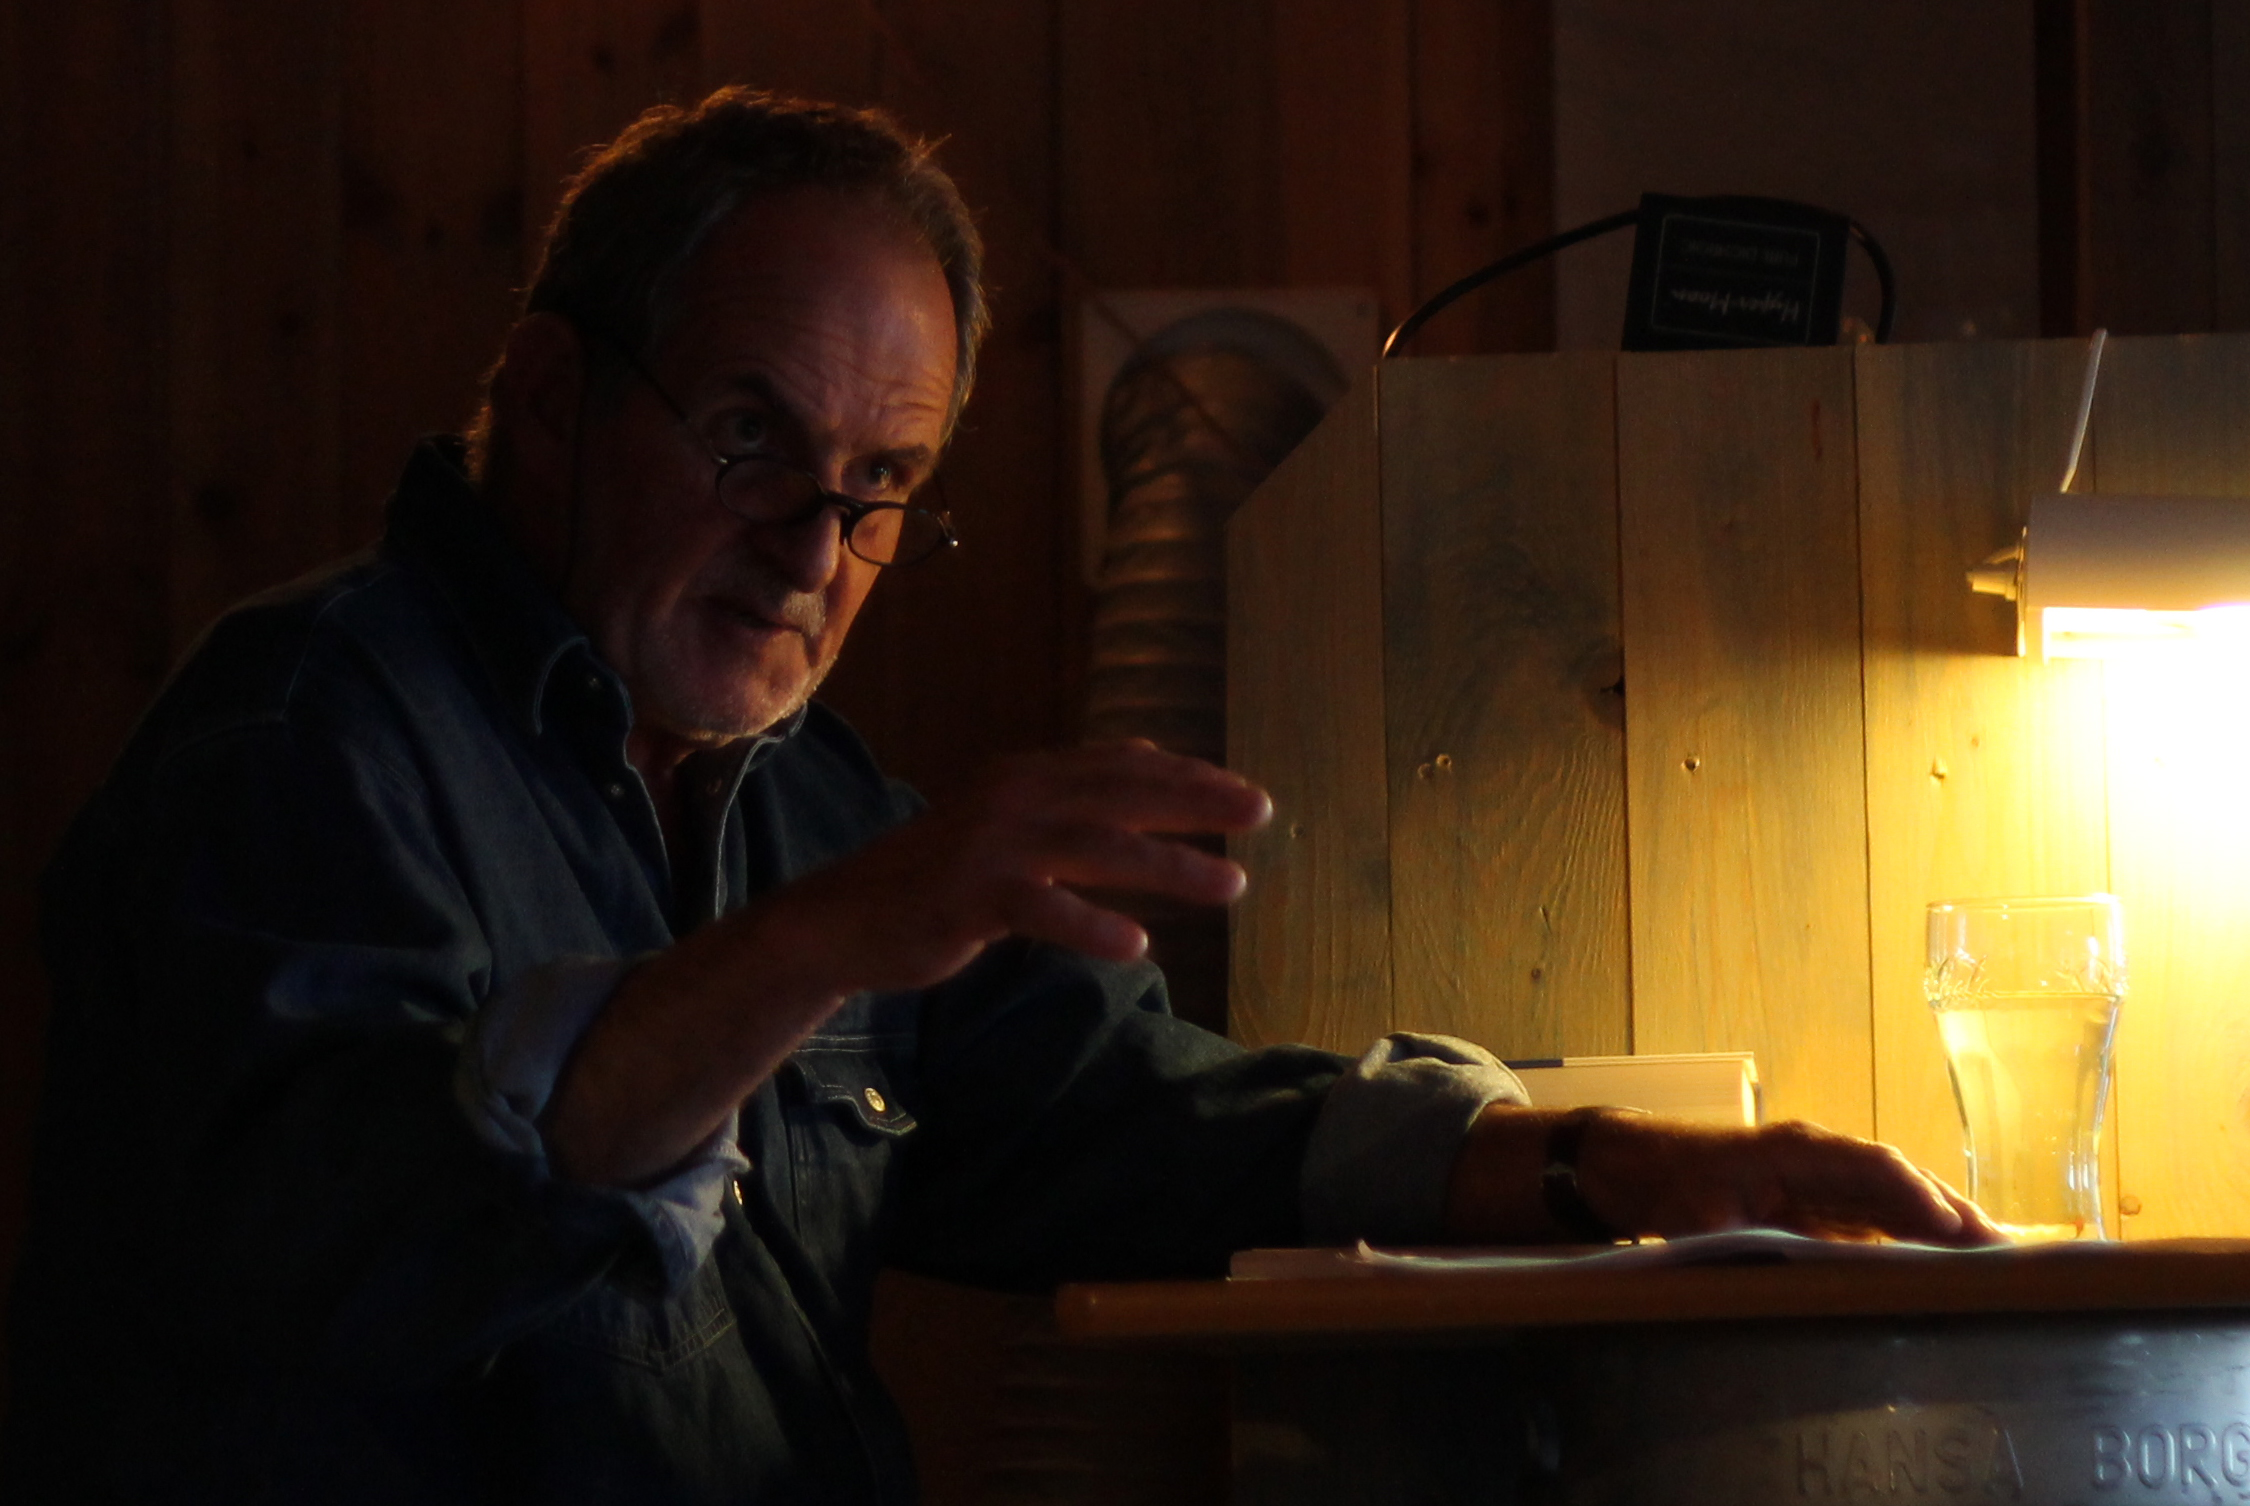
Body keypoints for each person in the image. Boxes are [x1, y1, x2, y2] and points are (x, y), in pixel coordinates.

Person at [3, 90, 1999, 1504]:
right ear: (546, 397)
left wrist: (1599, 1174)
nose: (816, 546)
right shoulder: (308, 737)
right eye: (748, 438)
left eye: (885, 486)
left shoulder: (797, 801)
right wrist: (840, 935)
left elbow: (1132, 1126)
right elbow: (370, 1241)